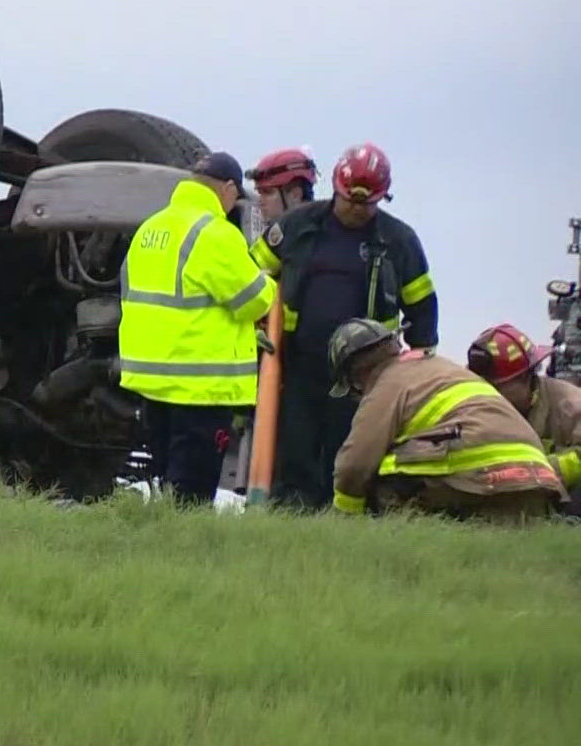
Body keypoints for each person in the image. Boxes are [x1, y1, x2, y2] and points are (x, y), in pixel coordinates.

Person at [249, 142, 438, 510]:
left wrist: (417, 366)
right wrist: (255, 329)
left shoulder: (399, 241)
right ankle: (291, 523)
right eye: (349, 200)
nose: (355, 209)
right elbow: (252, 276)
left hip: (363, 377)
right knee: (295, 455)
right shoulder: (297, 226)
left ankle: (342, 524)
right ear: (336, 188)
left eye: (365, 204)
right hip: (298, 366)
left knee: (349, 456)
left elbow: (422, 309)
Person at [116, 153, 277, 503]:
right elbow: (253, 300)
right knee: (191, 496)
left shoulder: (151, 227)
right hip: (200, 389)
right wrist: (270, 282)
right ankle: (183, 554)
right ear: (229, 188)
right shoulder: (215, 233)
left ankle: (155, 550)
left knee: (163, 486)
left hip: (153, 384)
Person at [327, 318, 563, 522]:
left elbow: (354, 466)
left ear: (358, 375)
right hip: (537, 480)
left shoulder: (385, 384)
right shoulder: (446, 369)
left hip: (479, 480)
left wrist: (345, 517)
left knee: (385, 482)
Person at [466, 323, 581, 512]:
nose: (489, 396)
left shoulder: (570, 405)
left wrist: (540, 470)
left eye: (497, 388)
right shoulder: (476, 408)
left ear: (526, 378)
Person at [245, 146, 318, 224]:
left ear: (295, 195)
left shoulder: (323, 234)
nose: (260, 201)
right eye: (260, 193)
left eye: (267, 192)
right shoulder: (270, 235)